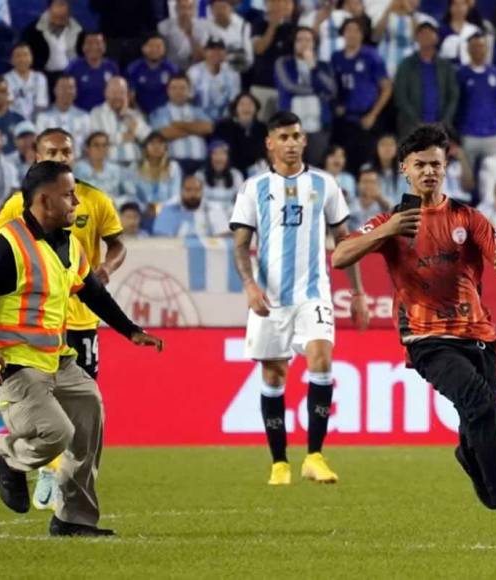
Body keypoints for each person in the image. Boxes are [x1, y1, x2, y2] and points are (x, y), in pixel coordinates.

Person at [332, 123, 496, 534]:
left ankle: (470, 456)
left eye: (436, 163)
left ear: (446, 167)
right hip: (427, 338)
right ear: (404, 170)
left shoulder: (468, 216)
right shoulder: (390, 221)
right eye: (420, 165)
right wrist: (388, 230)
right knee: (485, 407)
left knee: (477, 417)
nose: (429, 171)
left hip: (479, 335)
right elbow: (341, 256)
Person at [0, 161, 162, 537]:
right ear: (44, 200)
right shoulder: (5, 245)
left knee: (90, 410)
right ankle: (8, 458)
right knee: (55, 433)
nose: (76, 204)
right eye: (68, 196)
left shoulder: (67, 244)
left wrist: (129, 330)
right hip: (15, 363)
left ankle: (72, 517)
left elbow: (92, 291)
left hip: (56, 358)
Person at [229, 110, 369, 485]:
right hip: (270, 297)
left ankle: (315, 456)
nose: (291, 143)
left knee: (321, 358)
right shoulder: (253, 188)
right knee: (274, 372)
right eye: (283, 137)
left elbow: (346, 242)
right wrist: (249, 285)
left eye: (296, 136)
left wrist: (357, 292)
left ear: (304, 140)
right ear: (269, 143)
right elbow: (241, 246)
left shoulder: (325, 184)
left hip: (314, 293)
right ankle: (279, 462)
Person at [0, 129, 127, 511]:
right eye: (52, 151)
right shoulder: (16, 206)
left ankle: (64, 494)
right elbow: (1, 255)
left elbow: (117, 244)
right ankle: (40, 462)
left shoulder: (94, 200)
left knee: (82, 408)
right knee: (48, 410)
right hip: (35, 325)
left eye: (66, 150)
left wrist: (105, 271)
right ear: (36, 156)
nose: (61, 156)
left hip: (81, 318)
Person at [331, 17, 393, 173]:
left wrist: (373, 114)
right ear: (343, 33)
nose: (352, 34)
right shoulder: (336, 57)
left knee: (366, 161)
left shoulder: (371, 56)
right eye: (348, 30)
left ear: (362, 34)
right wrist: (336, 105)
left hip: (367, 117)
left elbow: (386, 88)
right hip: (345, 119)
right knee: (345, 161)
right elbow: (331, 86)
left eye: (356, 30)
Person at [275, 26, 337, 167]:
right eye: (300, 40)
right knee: (292, 166)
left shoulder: (323, 66)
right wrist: (318, 91)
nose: (304, 43)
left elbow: (331, 90)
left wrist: (313, 67)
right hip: (291, 127)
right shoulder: (283, 63)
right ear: (294, 43)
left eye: (308, 40)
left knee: (316, 167)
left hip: (318, 126)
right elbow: (289, 86)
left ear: (314, 43)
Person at [393, 21, 458, 141]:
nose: (426, 37)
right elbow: (400, 96)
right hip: (411, 127)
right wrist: (417, 122)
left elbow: (453, 95)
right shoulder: (406, 64)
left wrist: (445, 120)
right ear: (417, 38)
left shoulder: (446, 66)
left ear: (436, 38)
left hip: (440, 128)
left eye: (430, 34)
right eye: (422, 34)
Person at [457, 32, 496, 175]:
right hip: (469, 134)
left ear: (486, 48)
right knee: (467, 176)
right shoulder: (461, 74)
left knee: (492, 175)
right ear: (468, 49)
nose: (478, 49)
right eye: (474, 46)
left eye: (481, 46)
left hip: (493, 134)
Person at [150, 74, 213, 176]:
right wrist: (195, 129)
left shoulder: (197, 111)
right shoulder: (160, 112)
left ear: (189, 91)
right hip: (174, 163)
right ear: (168, 91)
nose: (178, 92)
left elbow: (208, 128)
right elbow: (165, 133)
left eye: (182, 88)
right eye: (174, 88)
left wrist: (178, 124)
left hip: (201, 162)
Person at [249, 0, 297, 122]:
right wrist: (272, 26)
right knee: (260, 127)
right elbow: (259, 49)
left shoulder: (293, 28)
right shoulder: (259, 24)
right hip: (262, 86)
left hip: (284, 89)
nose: (281, 5)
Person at [89, 76, 151, 165]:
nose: (117, 96)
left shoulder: (134, 114)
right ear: (106, 93)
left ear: (127, 95)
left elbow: (148, 137)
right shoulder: (96, 113)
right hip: (108, 164)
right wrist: (123, 137)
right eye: (114, 92)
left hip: (134, 164)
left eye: (121, 92)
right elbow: (97, 141)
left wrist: (133, 125)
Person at [20, 0, 83, 82]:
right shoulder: (32, 32)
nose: (65, 8)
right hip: (44, 79)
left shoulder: (77, 30)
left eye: (67, 5)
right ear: (49, 7)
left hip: (72, 81)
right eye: (60, 4)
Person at [372, 0, 437, 79]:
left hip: (410, 70)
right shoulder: (385, 15)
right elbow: (375, 37)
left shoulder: (424, 19)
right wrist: (388, 10)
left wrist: (411, 14)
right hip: (385, 66)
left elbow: (417, 39)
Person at [153, 173, 228, 236]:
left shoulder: (214, 209)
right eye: (188, 189)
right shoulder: (169, 208)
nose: (193, 194)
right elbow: (161, 239)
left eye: (197, 190)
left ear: (202, 192)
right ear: (181, 191)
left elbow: (224, 237)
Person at [122, 132, 183, 209]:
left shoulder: (173, 167)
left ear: (165, 147)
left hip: (166, 210)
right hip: (141, 211)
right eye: (152, 143)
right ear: (145, 148)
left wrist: (160, 208)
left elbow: (175, 195)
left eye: (160, 143)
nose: (156, 147)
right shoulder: (134, 167)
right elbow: (131, 194)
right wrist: (144, 208)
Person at [187, 38, 241, 123]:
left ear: (225, 53)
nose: (216, 52)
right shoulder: (194, 71)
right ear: (205, 52)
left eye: (220, 49)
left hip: (224, 121)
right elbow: (188, 99)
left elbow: (234, 101)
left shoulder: (233, 73)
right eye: (212, 49)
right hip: (197, 121)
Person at [214, 92, 268, 175]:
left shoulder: (263, 128)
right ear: (235, 108)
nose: (246, 108)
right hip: (232, 168)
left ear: (256, 108)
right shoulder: (224, 126)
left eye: (250, 104)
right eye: (242, 104)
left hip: (256, 168)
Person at [64, 32, 120, 112]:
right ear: (83, 47)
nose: (94, 46)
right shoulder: (73, 67)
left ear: (104, 47)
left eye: (98, 43)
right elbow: (65, 94)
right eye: (89, 43)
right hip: (80, 116)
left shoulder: (112, 67)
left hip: (105, 116)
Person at [35, 74, 92, 154]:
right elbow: (40, 146)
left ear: (75, 91)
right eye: (63, 88)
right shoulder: (43, 117)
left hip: (79, 163)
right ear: (55, 90)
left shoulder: (84, 117)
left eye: (70, 88)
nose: (67, 91)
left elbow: (89, 146)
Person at [126, 34, 179, 117]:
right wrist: (140, 113)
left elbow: (177, 95)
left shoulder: (172, 69)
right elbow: (130, 97)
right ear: (143, 48)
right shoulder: (134, 68)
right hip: (139, 114)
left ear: (164, 49)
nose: (154, 50)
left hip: (167, 114)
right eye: (150, 46)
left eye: (158, 46)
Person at [196, 139, 243, 218]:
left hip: (229, 217)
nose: (219, 158)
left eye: (222, 154)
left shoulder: (236, 175)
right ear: (209, 157)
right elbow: (197, 204)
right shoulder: (199, 176)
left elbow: (242, 202)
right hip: (206, 217)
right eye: (215, 154)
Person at [159, 0, 212, 70]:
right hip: (171, 69)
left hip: (194, 70)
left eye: (189, 8)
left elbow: (201, 59)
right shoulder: (164, 26)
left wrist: (190, 35)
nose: (186, 12)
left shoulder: (202, 27)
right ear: (176, 9)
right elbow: (160, 55)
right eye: (182, 8)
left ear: (194, 10)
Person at [205, 0, 253, 73]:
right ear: (211, 10)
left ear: (231, 8)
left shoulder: (243, 25)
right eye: (216, 8)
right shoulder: (206, 27)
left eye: (223, 7)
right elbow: (204, 57)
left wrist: (225, 58)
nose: (220, 12)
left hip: (238, 72)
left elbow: (248, 59)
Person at [4, 43, 50, 121]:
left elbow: (41, 105)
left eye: (25, 55)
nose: (22, 59)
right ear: (11, 60)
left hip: (36, 122)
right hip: (14, 121)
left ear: (31, 58)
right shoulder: (5, 79)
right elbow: (8, 106)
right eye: (18, 56)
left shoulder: (40, 78)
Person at [73, 131, 124, 199]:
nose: (101, 149)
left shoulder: (114, 169)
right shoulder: (80, 169)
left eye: (104, 145)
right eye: (96, 145)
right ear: (87, 148)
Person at [347, 163, 392, 230]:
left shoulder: (384, 205)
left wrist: (380, 198)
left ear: (378, 185)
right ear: (358, 185)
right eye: (365, 181)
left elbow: (393, 214)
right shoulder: (350, 205)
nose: (368, 185)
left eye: (372, 182)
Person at [438, 0, 480, 66]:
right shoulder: (441, 31)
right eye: (455, 4)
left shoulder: (474, 31)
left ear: (468, 7)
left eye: (462, 4)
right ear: (450, 7)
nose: (459, 8)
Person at [372, 134, 407, 205]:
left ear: (396, 148)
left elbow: (406, 198)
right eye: (383, 144)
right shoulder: (367, 170)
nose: (387, 148)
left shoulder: (405, 171)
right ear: (376, 148)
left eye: (391, 145)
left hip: (398, 212)